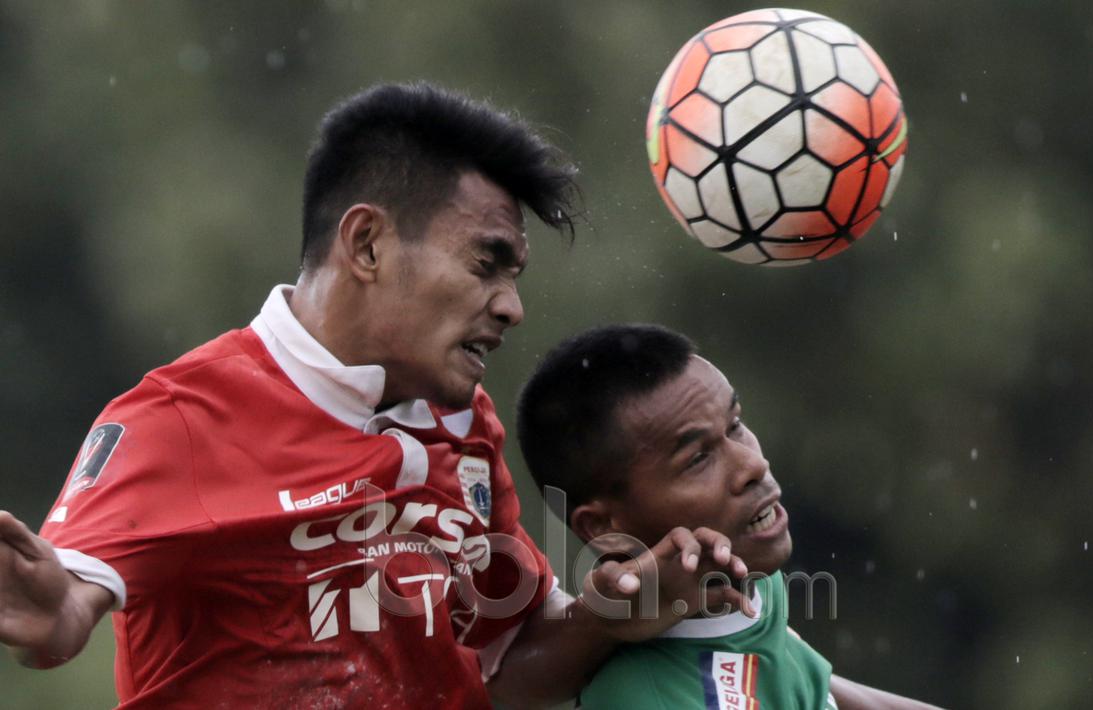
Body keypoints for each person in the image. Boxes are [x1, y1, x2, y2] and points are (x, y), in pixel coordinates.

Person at [0, 83, 747, 709]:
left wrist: (617, 615)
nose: (511, 306)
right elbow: (64, 613)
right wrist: (45, 609)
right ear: (366, 245)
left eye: (514, 276)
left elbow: (501, 670)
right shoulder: (180, 420)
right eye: (487, 264)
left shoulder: (464, 426)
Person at [517, 323, 943, 709]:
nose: (751, 465)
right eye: (697, 458)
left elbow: (810, 685)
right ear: (605, 527)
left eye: (736, 424)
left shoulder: (745, 584)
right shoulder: (646, 699)